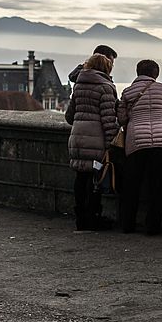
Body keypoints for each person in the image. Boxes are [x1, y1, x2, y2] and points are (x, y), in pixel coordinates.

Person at [117, 59, 162, 235]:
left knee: (132, 186)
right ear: (156, 74)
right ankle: (153, 227)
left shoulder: (128, 92)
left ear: (137, 72)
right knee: (157, 187)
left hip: (137, 143)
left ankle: (128, 225)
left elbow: (121, 119)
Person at [65, 53, 119, 231]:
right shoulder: (106, 87)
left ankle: (80, 218)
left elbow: (69, 116)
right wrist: (110, 144)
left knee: (80, 178)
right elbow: (108, 119)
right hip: (95, 141)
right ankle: (93, 217)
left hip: (76, 139)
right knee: (95, 178)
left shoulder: (78, 85)